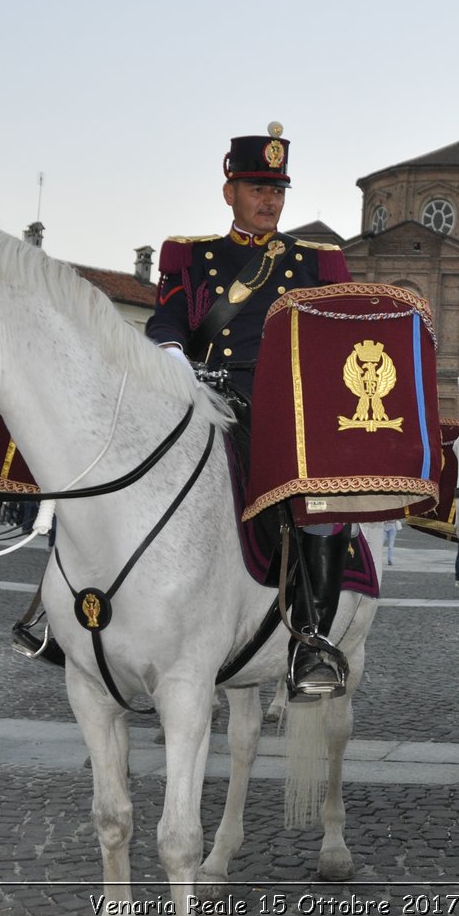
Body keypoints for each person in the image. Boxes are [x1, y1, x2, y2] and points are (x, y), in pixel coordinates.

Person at [143, 123, 356, 699]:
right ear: (229, 192)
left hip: (285, 407)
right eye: (257, 189)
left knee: (321, 496)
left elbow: (339, 338)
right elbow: (166, 319)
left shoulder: (318, 265)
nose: (270, 201)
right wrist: (169, 351)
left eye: (278, 190)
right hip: (208, 394)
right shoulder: (196, 257)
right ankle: (65, 615)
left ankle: (311, 639)